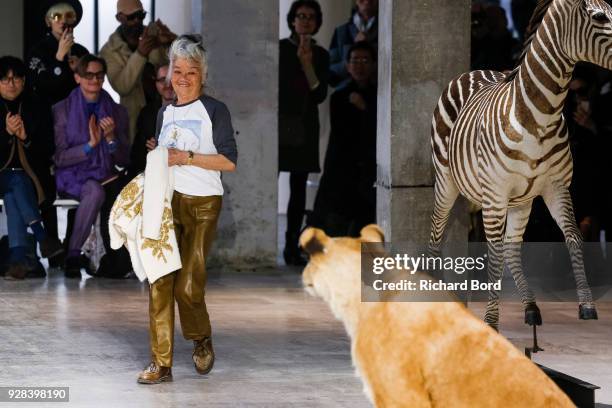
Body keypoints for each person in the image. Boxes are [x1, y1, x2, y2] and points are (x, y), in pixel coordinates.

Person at [137, 35, 237, 384]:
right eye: (177, 71)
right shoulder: (165, 113)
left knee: (189, 285)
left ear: (202, 75)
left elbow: (228, 161)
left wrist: (186, 157)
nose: (182, 78)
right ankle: (161, 363)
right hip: (166, 204)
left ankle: (200, 338)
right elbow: (165, 157)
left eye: (190, 72)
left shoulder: (215, 110)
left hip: (203, 205)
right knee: (160, 282)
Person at [53, 54, 130, 278]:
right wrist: (89, 146)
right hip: (71, 175)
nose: (94, 80)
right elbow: (59, 158)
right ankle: (73, 255)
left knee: (101, 189)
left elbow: (124, 160)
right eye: (88, 75)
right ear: (77, 78)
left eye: (99, 75)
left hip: (105, 174)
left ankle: (109, 260)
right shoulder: (62, 110)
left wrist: (111, 139)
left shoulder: (117, 111)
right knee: (95, 191)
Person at [26, 0, 89, 266]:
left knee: (77, 186)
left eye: (69, 15)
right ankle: (53, 250)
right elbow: (41, 86)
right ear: (47, 21)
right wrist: (59, 59)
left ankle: (73, 248)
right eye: (56, 16)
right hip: (45, 129)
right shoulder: (38, 51)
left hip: (76, 128)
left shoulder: (82, 52)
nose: (63, 21)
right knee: (48, 191)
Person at [0, 56, 63, 280]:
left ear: (24, 81)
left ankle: (17, 259)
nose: (11, 83)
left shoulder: (37, 105)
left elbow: (48, 149)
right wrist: (6, 134)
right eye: (5, 79)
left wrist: (25, 138)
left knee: (14, 191)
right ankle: (41, 235)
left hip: (31, 177)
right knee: (15, 182)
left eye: (16, 78)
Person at [279, 0, 329, 266]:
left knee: (298, 192)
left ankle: (290, 248)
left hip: (305, 127)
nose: (306, 21)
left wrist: (307, 63)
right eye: (301, 16)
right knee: (269, 184)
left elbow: (319, 94)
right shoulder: (278, 49)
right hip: (277, 126)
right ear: (292, 19)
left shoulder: (321, 55)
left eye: (311, 16)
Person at [311, 42, 377, 237]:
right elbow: (343, 134)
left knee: (362, 226)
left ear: (374, 64)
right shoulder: (340, 96)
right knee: (336, 225)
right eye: (355, 60)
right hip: (342, 169)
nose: (360, 65)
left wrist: (365, 108)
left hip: (368, 168)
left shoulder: (379, 95)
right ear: (347, 65)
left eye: (365, 60)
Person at [100, 0, 177, 143]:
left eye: (141, 15)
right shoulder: (109, 51)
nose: (137, 21)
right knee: (139, 158)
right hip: (135, 117)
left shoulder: (154, 35)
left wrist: (171, 41)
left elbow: (180, 68)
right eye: (131, 17)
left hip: (166, 108)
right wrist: (140, 54)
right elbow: (122, 86)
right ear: (119, 18)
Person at [129, 64, 174, 177]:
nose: (168, 85)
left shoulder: (192, 110)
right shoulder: (147, 113)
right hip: (152, 173)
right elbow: (137, 154)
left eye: (172, 79)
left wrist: (162, 149)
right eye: (163, 80)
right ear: (156, 84)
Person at [329, 0, 378, 88]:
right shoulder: (341, 32)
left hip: (380, 94)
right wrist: (353, 55)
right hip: (346, 95)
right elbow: (331, 74)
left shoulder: (389, 33)